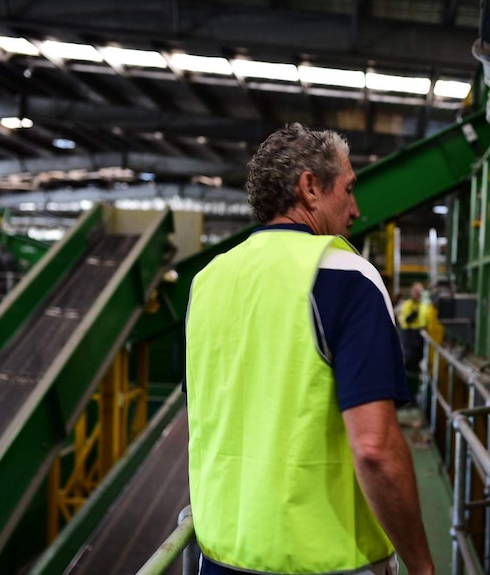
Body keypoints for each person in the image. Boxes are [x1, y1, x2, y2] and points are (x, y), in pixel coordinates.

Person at [184, 123, 434, 575]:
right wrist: (421, 565)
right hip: (324, 563)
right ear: (311, 188)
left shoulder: (207, 282)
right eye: (349, 189)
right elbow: (374, 448)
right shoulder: (344, 274)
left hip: (220, 556)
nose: (356, 209)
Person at [397, 282, 429, 375]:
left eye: (420, 291)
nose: (418, 293)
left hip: (420, 335)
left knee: (419, 357)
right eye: (416, 291)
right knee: (410, 358)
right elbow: (407, 320)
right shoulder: (407, 305)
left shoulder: (424, 305)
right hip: (410, 335)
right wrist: (415, 312)